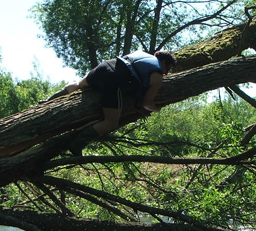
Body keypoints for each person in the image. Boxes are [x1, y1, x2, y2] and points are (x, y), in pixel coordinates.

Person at [43, 50, 176, 156]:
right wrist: (157, 109)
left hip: (106, 65)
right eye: (167, 69)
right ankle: (76, 144)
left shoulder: (141, 54)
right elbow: (147, 103)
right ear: (163, 62)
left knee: (78, 84)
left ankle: (47, 101)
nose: (166, 73)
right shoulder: (157, 75)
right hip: (114, 79)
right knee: (111, 122)